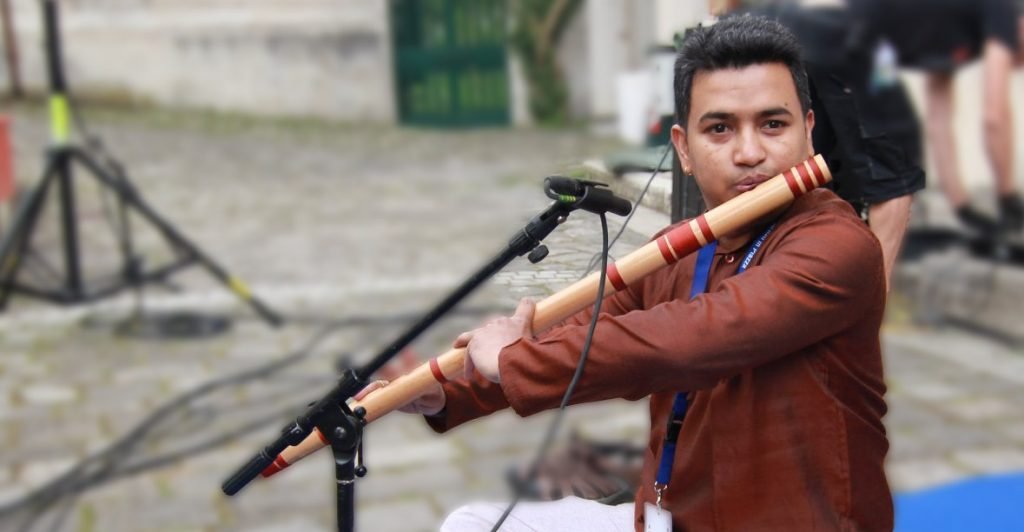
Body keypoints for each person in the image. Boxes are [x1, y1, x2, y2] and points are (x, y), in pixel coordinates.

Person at [372, 16, 892, 531]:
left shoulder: (838, 247)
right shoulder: (683, 249)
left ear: (808, 131)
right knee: (472, 524)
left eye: (772, 125)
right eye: (720, 128)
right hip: (669, 520)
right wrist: (450, 391)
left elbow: (689, 339)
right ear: (683, 149)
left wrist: (513, 359)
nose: (750, 152)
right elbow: (584, 332)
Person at [851, 0, 1024, 235]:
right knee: (888, 152)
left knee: (886, 141)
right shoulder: (1004, 12)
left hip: (868, 41)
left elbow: (937, 117)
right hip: (851, 36)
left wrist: (962, 207)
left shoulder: (953, 27)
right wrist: (1009, 199)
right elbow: (995, 116)